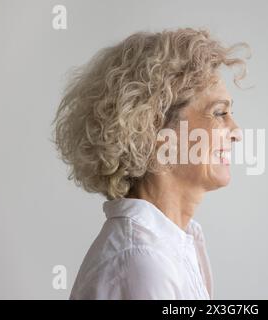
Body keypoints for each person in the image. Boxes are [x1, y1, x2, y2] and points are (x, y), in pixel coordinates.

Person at [52, 27, 250, 299]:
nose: (237, 131)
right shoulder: (141, 262)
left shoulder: (173, 245)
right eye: (219, 113)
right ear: (157, 130)